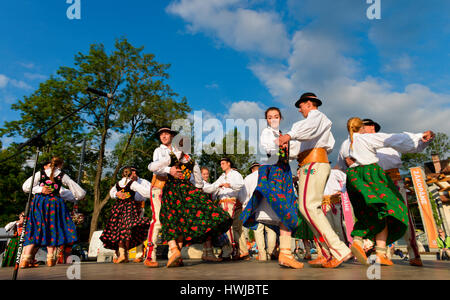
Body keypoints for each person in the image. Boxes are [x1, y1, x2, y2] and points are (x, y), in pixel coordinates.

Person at [344, 117, 434, 266]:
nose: (362, 128)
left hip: (391, 180)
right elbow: (346, 161)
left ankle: (413, 253)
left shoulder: (386, 141)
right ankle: (380, 252)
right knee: (377, 213)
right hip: (373, 180)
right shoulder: (356, 141)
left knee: (400, 213)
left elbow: (412, 146)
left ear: (371, 127)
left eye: (364, 125)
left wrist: (424, 139)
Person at [279, 93, 352, 268]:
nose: (299, 109)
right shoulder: (309, 125)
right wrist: (282, 149)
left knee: (309, 206)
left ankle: (339, 249)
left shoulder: (317, 116)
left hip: (314, 163)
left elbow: (307, 130)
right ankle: (327, 253)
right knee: (307, 208)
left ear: (309, 104)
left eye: (301, 105)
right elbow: (297, 147)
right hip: (308, 163)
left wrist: (289, 135)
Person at [241, 107, 305, 269]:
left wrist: (289, 146)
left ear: (280, 118)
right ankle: (284, 253)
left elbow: (292, 151)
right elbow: (269, 149)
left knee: (287, 208)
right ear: (267, 120)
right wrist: (283, 146)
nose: (273, 119)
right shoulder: (267, 133)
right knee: (284, 208)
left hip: (284, 172)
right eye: (270, 117)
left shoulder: (282, 134)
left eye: (276, 116)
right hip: (273, 170)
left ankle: (285, 253)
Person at [154, 146, 233, 268]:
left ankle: (175, 250)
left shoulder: (171, 157)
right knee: (182, 222)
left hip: (172, 190)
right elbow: (199, 182)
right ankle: (178, 254)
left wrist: (169, 169)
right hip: (187, 190)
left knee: (168, 219)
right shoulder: (192, 161)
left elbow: (153, 168)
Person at [20, 157, 86, 268]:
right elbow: (75, 191)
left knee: (35, 228)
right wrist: (79, 196)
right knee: (52, 228)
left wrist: (41, 190)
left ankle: (25, 259)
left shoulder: (40, 174)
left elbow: (26, 187)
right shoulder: (62, 175)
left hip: (40, 203)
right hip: (54, 204)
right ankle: (50, 258)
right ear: (60, 165)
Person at [100, 167, 151, 264]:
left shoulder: (118, 183)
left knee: (120, 231)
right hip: (129, 208)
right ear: (130, 173)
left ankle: (124, 254)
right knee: (129, 230)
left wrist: (116, 194)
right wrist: (156, 192)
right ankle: (123, 254)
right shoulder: (132, 183)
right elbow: (146, 192)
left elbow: (111, 193)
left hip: (119, 209)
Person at [203, 158, 247, 261]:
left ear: (229, 164)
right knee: (226, 227)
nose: (221, 165)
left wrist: (230, 185)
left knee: (229, 227)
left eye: (223, 163)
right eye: (220, 164)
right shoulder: (222, 176)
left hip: (230, 201)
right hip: (222, 203)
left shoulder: (235, 174)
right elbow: (213, 187)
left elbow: (240, 185)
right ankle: (230, 249)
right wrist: (201, 187)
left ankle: (232, 249)